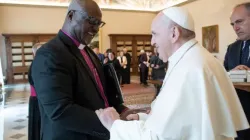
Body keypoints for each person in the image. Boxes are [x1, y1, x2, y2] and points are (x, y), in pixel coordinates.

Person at [95, 6, 250, 140]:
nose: (152, 42)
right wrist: (142, 117)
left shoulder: (188, 69)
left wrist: (115, 125)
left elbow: (160, 137)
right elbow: (181, 121)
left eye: (155, 34)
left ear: (174, 33)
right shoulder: (194, 58)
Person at [29, 0, 128, 140]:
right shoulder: (50, 54)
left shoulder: (88, 51)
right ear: (71, 15)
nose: (95, 29)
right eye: (91, 21)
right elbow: (60, 110)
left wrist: (122, 110)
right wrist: (110, 124)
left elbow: (102, 91)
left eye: (98, 24)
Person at [224, 2, 250, 140]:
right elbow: (223, 77)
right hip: (239, 118)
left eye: (239, 21)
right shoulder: (232, 48)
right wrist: (232, 74)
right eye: (232, 24)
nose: (236, 28)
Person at [28, 43, 42, 140]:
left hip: (39, 98)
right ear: (35, 53)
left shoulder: (40, 62)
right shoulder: (36, 64)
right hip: (36, 99)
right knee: (36, 124)